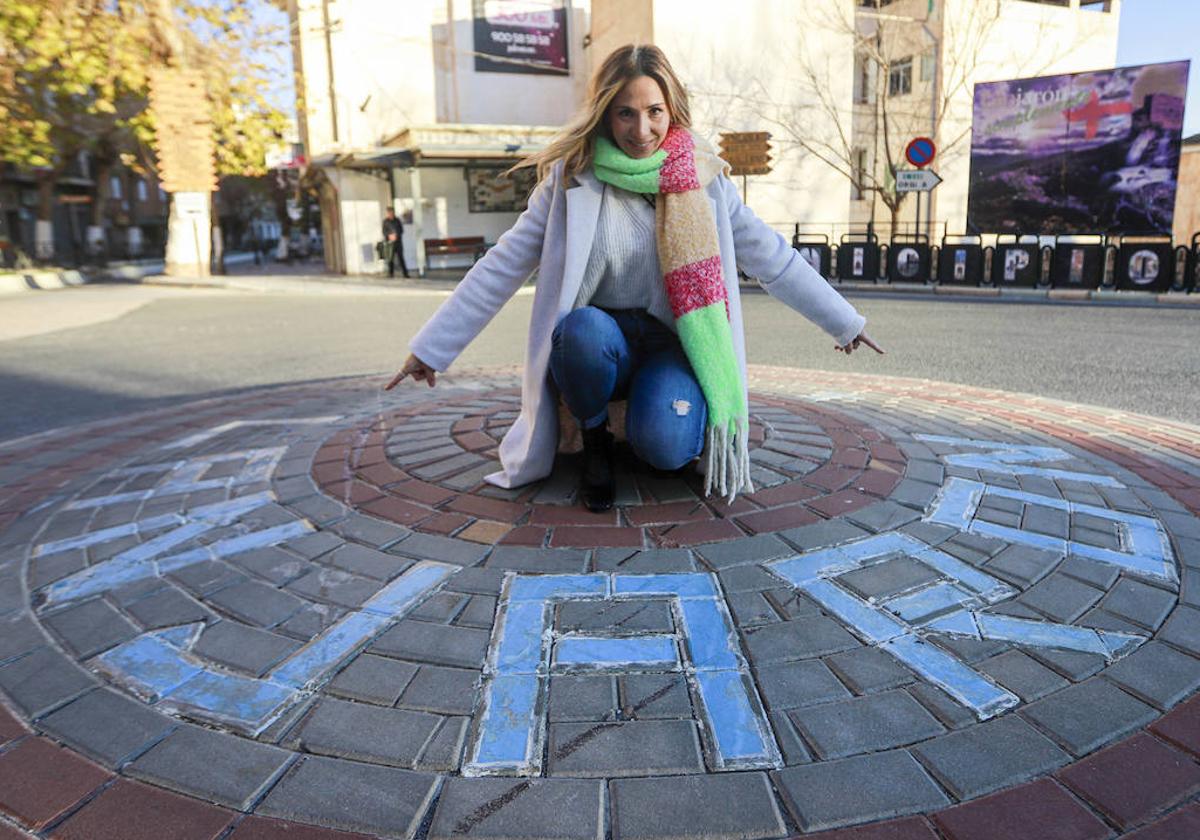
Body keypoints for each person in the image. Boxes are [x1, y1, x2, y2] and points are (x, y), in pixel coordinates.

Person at [385, 44, 882, 512]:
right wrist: (431, 348)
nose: (641, 129)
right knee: (579, 332)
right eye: (625, 112)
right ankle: (595, 435)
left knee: (667, 450)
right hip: (602, 341)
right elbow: (502, 263)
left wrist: (843, 321)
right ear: (605, 112)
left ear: (672, 111)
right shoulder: (570, 179)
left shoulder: (705, 180)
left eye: (654, 112)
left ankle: (654, 418)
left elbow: (773, 257)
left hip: (674, 344)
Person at [382, 207, 409, 278]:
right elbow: (384, 232)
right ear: (387, 213)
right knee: (390, 259)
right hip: (390, 243)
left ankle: (405, 274)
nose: (391, 214)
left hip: (398, 243)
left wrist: (396, 235)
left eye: (392, 212)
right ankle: (391, 274)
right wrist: (389, 235)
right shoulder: (385, 221)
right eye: (389, 213)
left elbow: (401, 230)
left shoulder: (397, 220)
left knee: (401, 258)